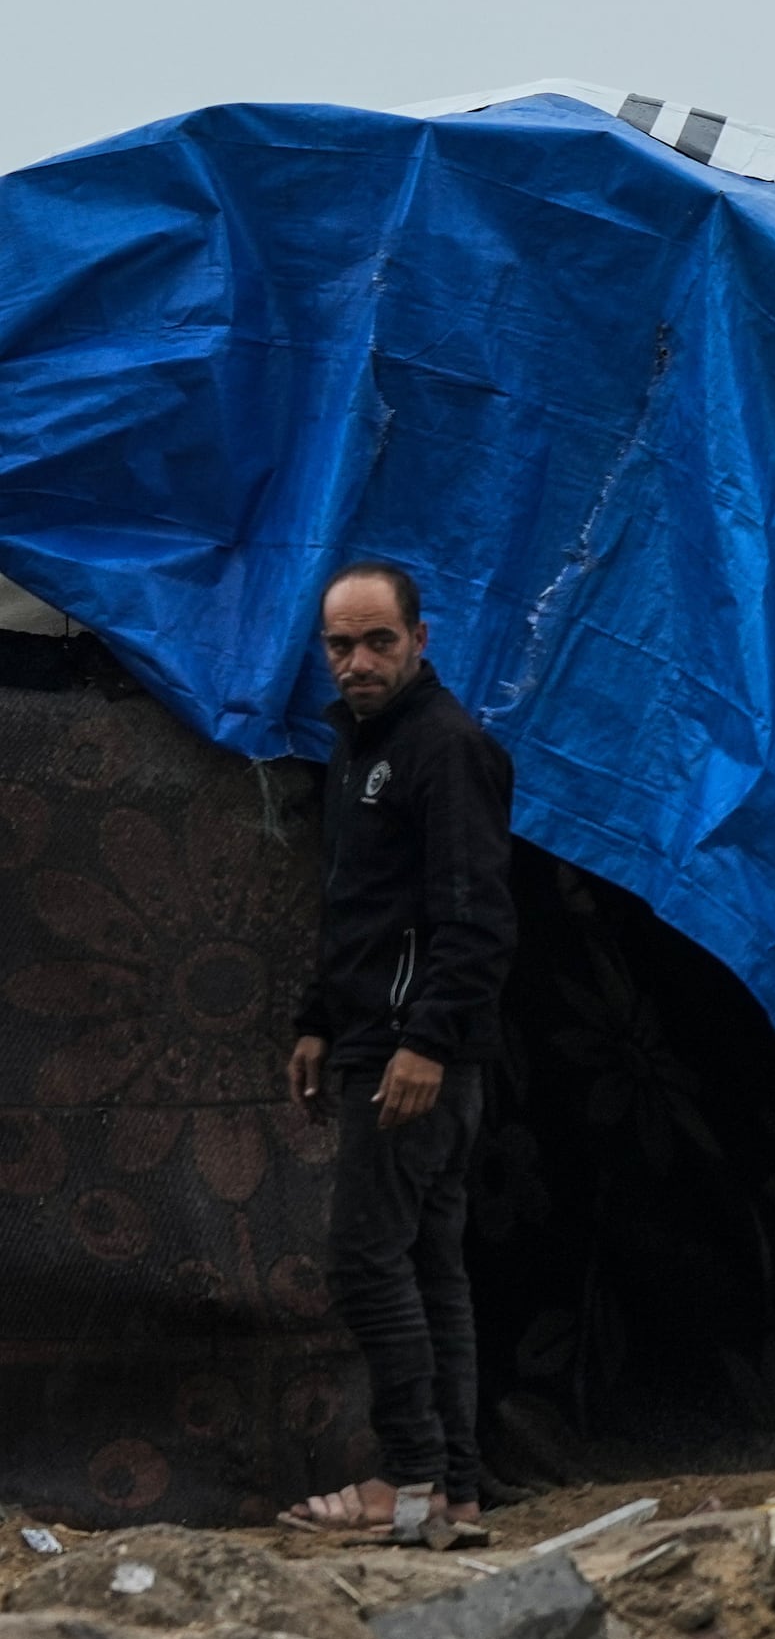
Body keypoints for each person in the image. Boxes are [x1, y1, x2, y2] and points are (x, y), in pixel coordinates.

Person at [281, 560, 515, 1546]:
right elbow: (362, 906)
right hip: (378, 1038)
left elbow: (476, 922)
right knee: (426, 1266)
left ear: (422, 639)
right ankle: (449, 1496)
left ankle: (406, 1480)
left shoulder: (442, 747)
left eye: (380, 640)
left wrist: (424, 1043)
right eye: (342, 645)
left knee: (366, 1260)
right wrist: (316, 1015)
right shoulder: (357, 744)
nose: (360, 661)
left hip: (418, 1061)